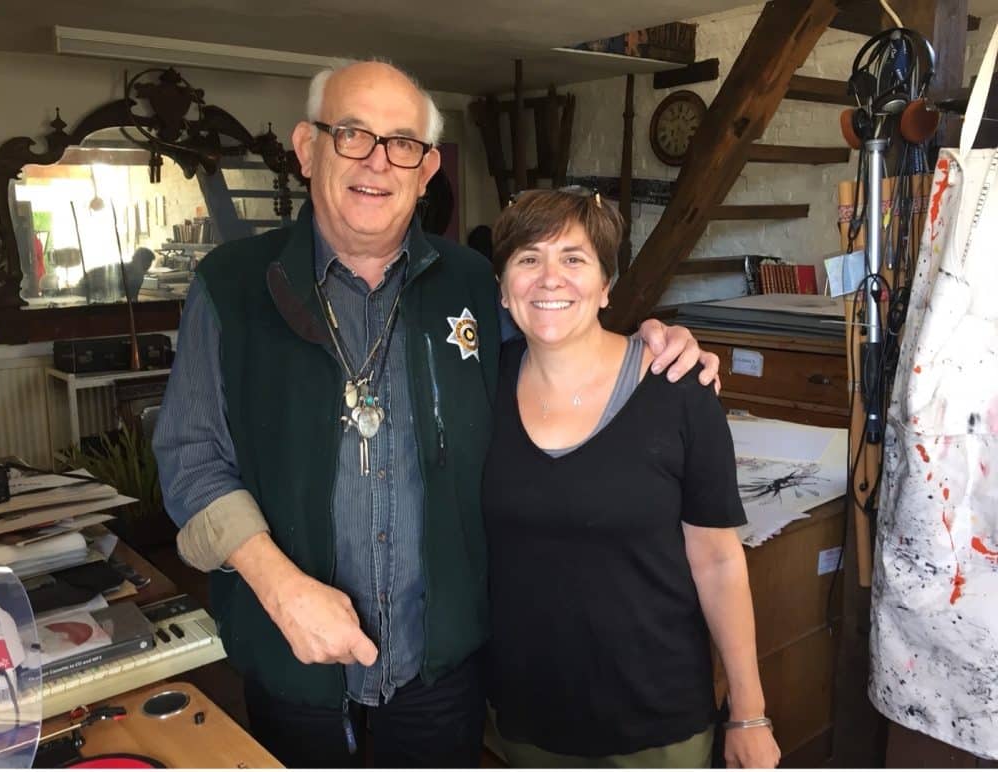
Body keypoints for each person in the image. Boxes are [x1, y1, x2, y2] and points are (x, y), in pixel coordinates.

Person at [152, 60, 718, 768]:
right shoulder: (231, 287)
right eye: (353, 134)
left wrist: (653, 343)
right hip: (293, 662)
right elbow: (190, 459)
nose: (378, 162)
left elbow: (563, 343)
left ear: (426, 172)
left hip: (443, 671)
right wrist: (280, 585)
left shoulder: (474, 282)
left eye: (404, 144)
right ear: (307, 148)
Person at [482, 188, 780, 769]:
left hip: (656, 725)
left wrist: (749, 711)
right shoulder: (481, 388)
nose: (550, 279)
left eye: (574, 259)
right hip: (525, 719)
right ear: (502, 286)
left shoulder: (679, 389)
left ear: (605, 285)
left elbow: (719, 561)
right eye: (527, 258)